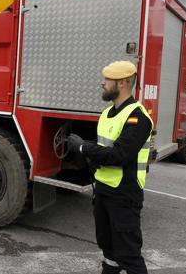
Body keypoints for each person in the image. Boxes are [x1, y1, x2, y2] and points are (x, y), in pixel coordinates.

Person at [66, 60, 153, 274]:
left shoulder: (138, 117)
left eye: (107, 79)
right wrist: (88, 156)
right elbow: (103, 150)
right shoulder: (107, 113)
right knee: (108, 250)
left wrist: (83, 148)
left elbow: (119, 155)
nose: (102, 83)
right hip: (103, 190)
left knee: (129, 255)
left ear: (122, 83)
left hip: (124, 193)